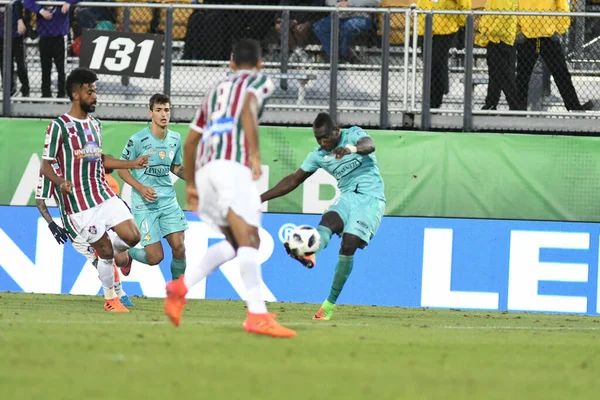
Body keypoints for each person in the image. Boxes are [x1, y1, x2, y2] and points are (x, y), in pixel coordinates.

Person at [164, 39, 295, 338]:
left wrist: (193, 185)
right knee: (250, 237)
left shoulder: (214, 91)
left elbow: (191, 141)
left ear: (231, 64)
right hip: (231, 167)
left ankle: (180, 288)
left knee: (239, 243)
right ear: (260, 63)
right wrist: (255, 154)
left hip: (207, 170)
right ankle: (257, 315)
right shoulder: (261, 80)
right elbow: (248, 109)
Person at [40, 67, 149, 312]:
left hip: (102, 195)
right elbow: (45, 164)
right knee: (106, 252)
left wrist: (131, 163)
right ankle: (111, 300)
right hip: (79, 205)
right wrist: (60, 182)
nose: (95, 96)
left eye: (95, 90)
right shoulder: (59, 126)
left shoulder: (95, 125)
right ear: (76, 95)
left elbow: (100, 159)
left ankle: (104, 252)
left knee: (133, 236)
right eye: (90, 91)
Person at [260, 112, 386, 321]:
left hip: (370, 198)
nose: (322, 142)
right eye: (318, 138)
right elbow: (293, 180)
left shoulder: (353, 134)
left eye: (325, 137)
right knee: (328, 223)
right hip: (347, 197)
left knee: (349, 243)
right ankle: (310, 252)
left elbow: (369, 145)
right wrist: (261, 198)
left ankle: (328, 306)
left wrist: (351, 149)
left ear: (336, 131)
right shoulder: (318, 155)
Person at [35, 162, 134, 307]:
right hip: (74, 225)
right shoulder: (49, 169)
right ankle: (118, 295)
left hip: (96, 216)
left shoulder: (81, 160)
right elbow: (40, 200)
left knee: (121, 260)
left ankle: (127, 257)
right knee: (101, 258)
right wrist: (51, 224)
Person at [118, 94, 188, 279]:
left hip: (168, 201)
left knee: (179, 248)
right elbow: (121, 169)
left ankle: (176, 294)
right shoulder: (138, 140)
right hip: (144, 204)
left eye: (166, 110)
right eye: (158, 110)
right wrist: (141, 187)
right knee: (155, 257)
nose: (163, 114)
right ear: (151, 113)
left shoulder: (175, 138)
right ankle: (129, 254)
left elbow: (176, 166)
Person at [515, 0, 593, 111]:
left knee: (524, 74)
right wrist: (559, 30)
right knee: (559, 73)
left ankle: (518, 108)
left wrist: (559, 30)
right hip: (538, 34)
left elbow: (562, 7)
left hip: (539, 34)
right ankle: (574, 106)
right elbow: (563, 8)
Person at [417, 0, 471, 108]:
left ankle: (435, 100)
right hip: (426, 27)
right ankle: (431, 98)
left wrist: (461, 23)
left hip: (445, 28)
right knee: (430, 64)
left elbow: (464, 4)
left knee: (437, 64)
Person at [24, 0, 79, 98]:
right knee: (45, 67)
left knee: (61, 67)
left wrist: (68, 2)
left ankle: (61, 93)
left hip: (60, 34)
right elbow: (27, 2)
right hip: (44, 34)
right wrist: (40, 10)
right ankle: (46, 93)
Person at [475, 0, 519, 110]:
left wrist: (487, 32)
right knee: (496, 74)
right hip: (497, 39)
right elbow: (489, 15)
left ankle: (514, 106)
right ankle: (491, 102)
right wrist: (485, 30)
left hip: (500, 39)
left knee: (503, 75)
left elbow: (502, 17)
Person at [312, 0, 380, 64]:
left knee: (349, 25)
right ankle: (334, 56)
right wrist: (339, 5)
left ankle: (344, 54)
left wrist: (350, 4)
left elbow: (377, 1)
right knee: (319, 27)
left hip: (362, 16)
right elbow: (328, 2)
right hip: (340, 16)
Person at [0, 0, 30, 97]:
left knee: (20, 63)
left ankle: (25, 87)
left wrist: (21, 21)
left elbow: (20, 8)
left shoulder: (16, 3)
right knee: (4, 63)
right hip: (2, 35)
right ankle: (8, 88)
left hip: (15, 35)